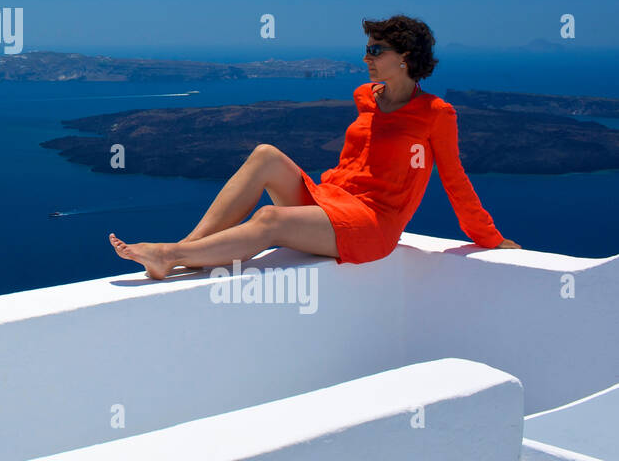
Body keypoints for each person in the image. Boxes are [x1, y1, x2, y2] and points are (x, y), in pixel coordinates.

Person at [109, 15, 521, 279]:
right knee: (265, 154)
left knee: (270, 217)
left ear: (405, 58)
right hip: (332, 200)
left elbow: (455, 179)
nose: (366, 58)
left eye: (376, 50)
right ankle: (190, 248)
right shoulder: (365, 96)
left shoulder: (435, 113)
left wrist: (488, 236)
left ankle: (173, 255)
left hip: (372, 225)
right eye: (367, 49)